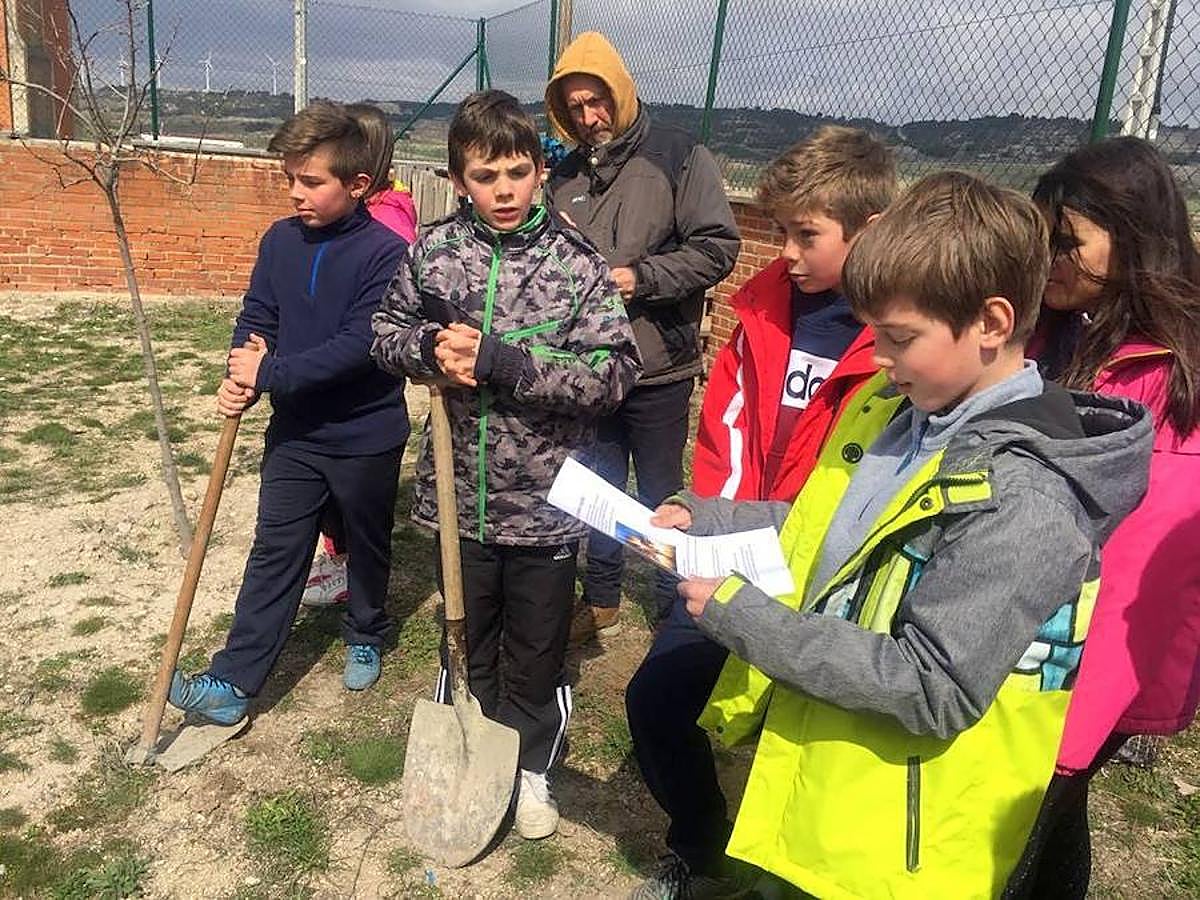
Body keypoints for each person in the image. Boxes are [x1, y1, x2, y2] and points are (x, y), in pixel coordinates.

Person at [634, 172, 1153, 899]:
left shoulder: (1026, 498)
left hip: (898, 846)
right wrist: (713, 518)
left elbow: (933, 684)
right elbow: (829, 522)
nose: (876, 358)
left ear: (993, 324)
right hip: (827, 785)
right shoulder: (899, 410)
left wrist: (743, 616)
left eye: (900, 338)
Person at [623, 126, 896, 895]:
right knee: (657, 700)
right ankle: (701, 840)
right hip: (736, 538)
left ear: (871, 233)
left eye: (806, 235)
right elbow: (727, 430)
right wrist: (702, 517)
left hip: (831, 567)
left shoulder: (902, 339)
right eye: (781, 233)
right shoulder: (765, 310)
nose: (787, 253)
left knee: (807, 734)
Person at [370, 90, 641, 840]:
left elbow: (612, 376)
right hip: (461, 499)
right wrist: (425, 350)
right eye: (485, 177)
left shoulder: (575, 263)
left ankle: (530, 771)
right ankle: (468, 749)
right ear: (459, 179)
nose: (503, 192)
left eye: (517, 173)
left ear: (539, 172)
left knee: (536, 652)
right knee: (464, 637)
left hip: (545, 501)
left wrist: (502, 361)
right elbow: (384, 332)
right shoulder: (433, 253)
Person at [168, 100, 410, 725]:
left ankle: (365, 628)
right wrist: (239, 375)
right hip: (296, 432)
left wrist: (270, 373)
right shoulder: (280, 240)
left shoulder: (385, 253)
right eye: (290, 179)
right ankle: (233, 682)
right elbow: (258, 316)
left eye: (311, 181)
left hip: (364, 433)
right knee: (277, 547)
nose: (296, 193)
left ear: (357, 185)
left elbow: (361, 344)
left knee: (364, 537)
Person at [1003, 136, 1200, 899]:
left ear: (1132, 241)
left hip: (1084, 656)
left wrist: (1081, 707)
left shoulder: (1171, 380)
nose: (1050, 259)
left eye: (1068, 243)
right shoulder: (1060, 333)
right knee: (1056, 818)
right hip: (1036, 623)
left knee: (1023, 827)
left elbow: (1140, 574)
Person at [543, 31, 741, 643]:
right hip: (591, 368)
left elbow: (717, 247)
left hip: (659, 362)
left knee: (661, 493)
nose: (588, 118)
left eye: (595, 101)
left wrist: (642, 278)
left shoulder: (679, 155)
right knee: (597, 489)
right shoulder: (565, 173)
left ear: (619, 92)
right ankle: (599, 599)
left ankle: (671, 607)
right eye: (574, 108)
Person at [302, 102, 417, 609]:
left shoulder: (386, 226)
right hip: (321, 378)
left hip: (360, 386)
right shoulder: (351, 217)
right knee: (328, 494)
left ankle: (351, 573)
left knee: (356, 501)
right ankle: (339, 557)